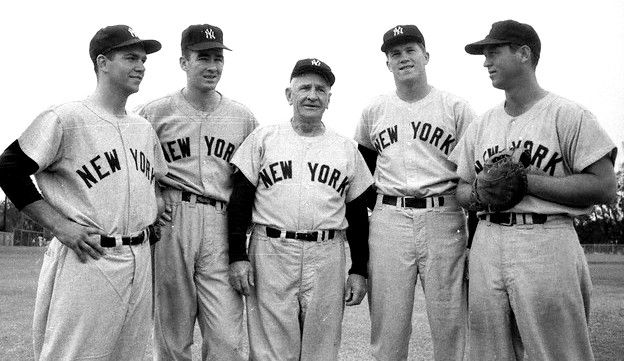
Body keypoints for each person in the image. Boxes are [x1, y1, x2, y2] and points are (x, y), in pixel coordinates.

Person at [0, 25, 167, 360]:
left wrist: (153, 206)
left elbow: (154, 181)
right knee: (73, 355)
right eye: (131, 57)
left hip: (140, 257)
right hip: (89, 255)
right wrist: (60, 226)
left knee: (128, 355)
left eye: (143, 59)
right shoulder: (67, 118)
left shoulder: (143, 128)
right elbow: (7, 170)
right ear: (102, 62)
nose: (141, 66)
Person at [452, 19, 617, 360]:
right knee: (488, 355)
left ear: (524, 53)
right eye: (485, 54)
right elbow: (461, 189)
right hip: (488, 240)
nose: (486, 62)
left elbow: (605, 188)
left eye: (493, 52)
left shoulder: (567, 114)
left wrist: (529, 181)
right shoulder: (481, 124)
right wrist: (481, 195)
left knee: (558, 353)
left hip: (546, 240)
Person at [227, 58, 373, 361]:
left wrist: (359, 268)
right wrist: (237, 256)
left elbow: (358, 214)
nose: (312, 95)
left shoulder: (345, 148)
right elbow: (239, 201)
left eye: (321, 89)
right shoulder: (264, 138)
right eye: (304, 87)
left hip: (327, 253)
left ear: (329, 99)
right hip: (271, 251)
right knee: (270, 353)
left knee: (321, 350)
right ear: (288, 94)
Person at [136, 24, 257, 361]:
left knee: (227, 339)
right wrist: (153, 194)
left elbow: (250, 182)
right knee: (173, 335)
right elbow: (135, 169)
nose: (212, 66)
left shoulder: (242, 117)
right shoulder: (154, 112)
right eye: (203, 57)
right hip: (172, 219)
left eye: (218, 58)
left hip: (221, 221)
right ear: (183, 62)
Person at [354, 25, 475, 361]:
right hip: (389, 217)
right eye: (395, 53)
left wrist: (473, 238)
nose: (403, 57)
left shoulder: (455, 107)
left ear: (426, 56)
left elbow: (474, 176)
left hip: (444, 214)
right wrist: (378, 205)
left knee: (450, 321)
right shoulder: (374, 110)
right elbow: (363, 171)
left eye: (410, 50)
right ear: (388, 64)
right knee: (388, 323)